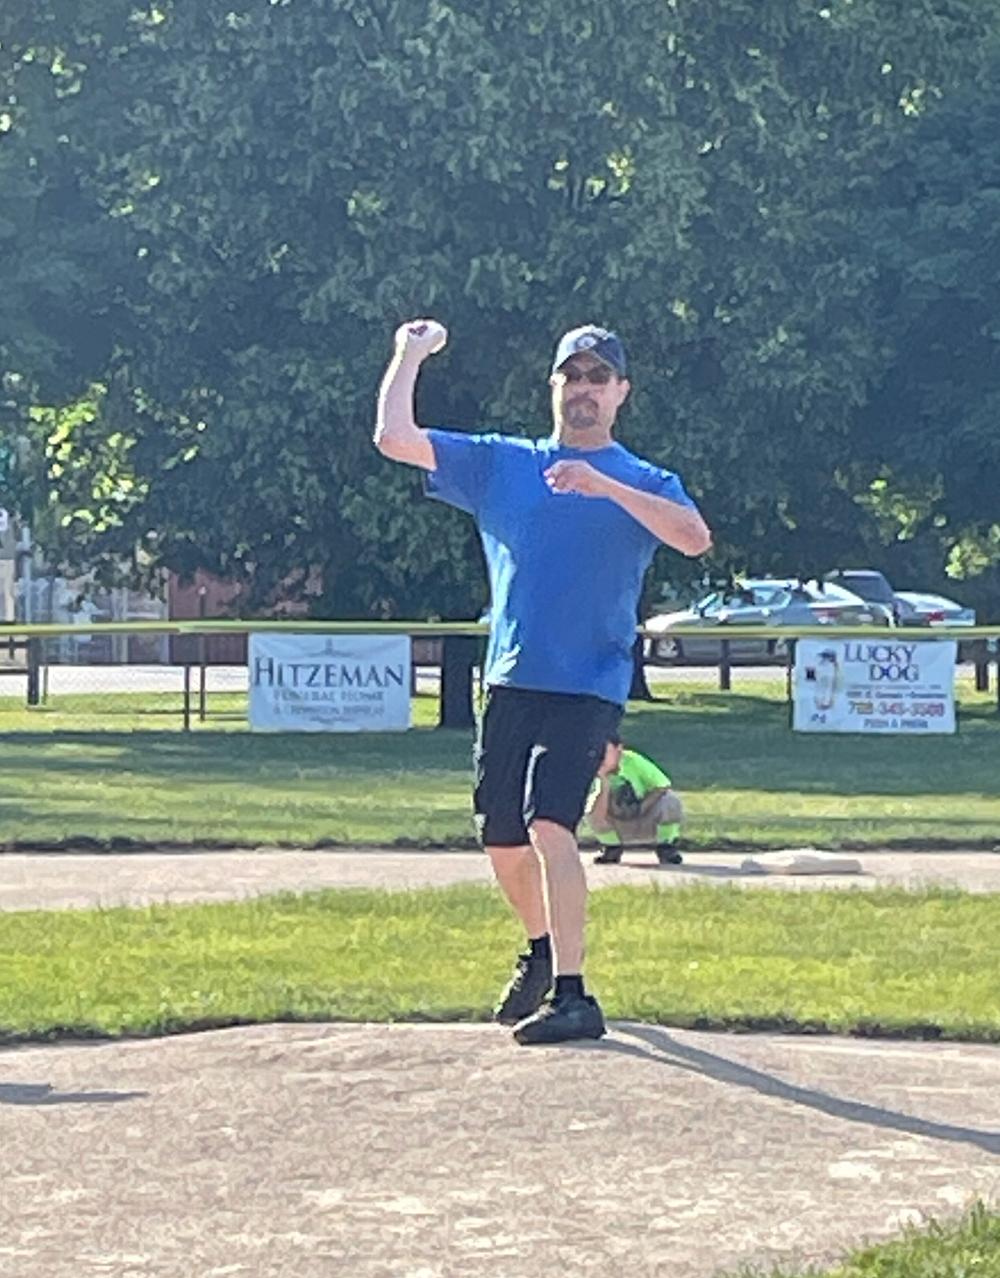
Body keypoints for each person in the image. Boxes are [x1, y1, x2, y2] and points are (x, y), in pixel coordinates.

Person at [374, 319, 711, 1044]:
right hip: (513, 678)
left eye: (599, 377)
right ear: (553, 385)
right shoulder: (505, 464)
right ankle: (539, 950)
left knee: (550, 824)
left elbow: (693, 536)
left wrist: (603, 485)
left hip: (589, 683)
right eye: (572, 375)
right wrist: (410, 354)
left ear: (621, 392)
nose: (583, 389)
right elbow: (395, 438)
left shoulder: (646, 479)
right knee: (500, 835)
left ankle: (575, 995)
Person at [585, 735, 684, 865]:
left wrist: (641, 808)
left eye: (605, 751)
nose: (600, 756)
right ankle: (611, 847)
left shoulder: (633, 761)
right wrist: (603, 781)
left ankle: (666, 846)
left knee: (670, 801)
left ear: (618, 749)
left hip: (646, 818)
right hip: (616, 823)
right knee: (590, 809)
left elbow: (662, 785)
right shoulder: (589, 769)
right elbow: (596, 812)